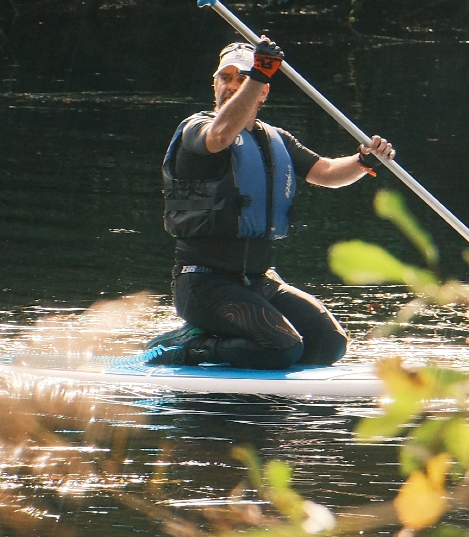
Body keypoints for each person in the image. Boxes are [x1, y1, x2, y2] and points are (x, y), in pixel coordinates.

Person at [144, 37, 394, 369]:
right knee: (283, 348)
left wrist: (364, 161)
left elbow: (327, 172)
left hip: (259, 280)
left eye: (243, 78)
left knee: (329, 343)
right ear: (215, 83)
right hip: (204, 284)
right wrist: (259, 73)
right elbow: (220, 137)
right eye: (226, 77)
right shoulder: (198, 128)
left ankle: (237, 345)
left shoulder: (275, 139)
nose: (233, 85)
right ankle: (190, 345)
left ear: (263, 92)